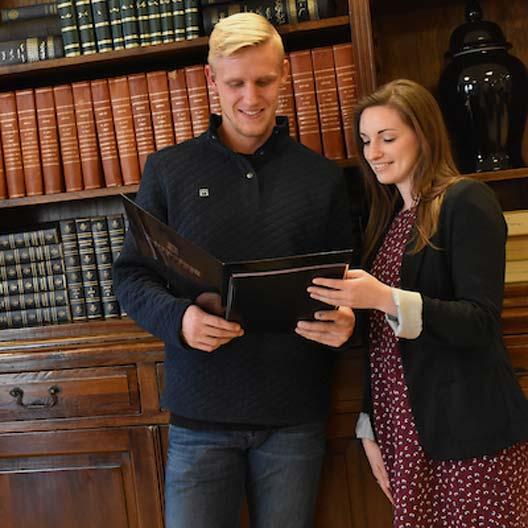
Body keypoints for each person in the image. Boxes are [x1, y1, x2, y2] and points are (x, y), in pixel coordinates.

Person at [113, 12, 357, 528]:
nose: (251, 97)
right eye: (236, 82)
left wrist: (347, 319)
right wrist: (179, 320)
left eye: (265, 80)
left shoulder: (322, 177)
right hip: (199, 416)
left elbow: (346, 280)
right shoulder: (168, 170)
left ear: (285, 75)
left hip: (294, 414)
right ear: (211, 81)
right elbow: (130, 277)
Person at [306, 79, 528, 527]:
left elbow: (480, 321)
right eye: (367, 141)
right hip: (403, 429)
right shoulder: (387, 221)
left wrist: (383, 298)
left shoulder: (466, 200)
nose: (374, 153)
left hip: (467, 428)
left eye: (388, 138)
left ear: (424, 134)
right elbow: (381, 343)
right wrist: (370, 426)